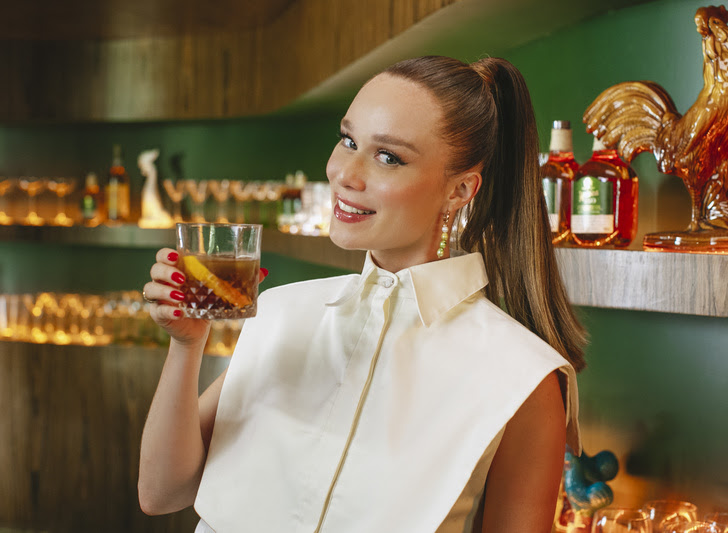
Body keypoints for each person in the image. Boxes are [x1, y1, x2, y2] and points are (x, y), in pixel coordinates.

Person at [138, 55, 586, 533]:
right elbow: (162, 493)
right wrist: (187, 345)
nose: (345, 174)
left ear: (459, 190)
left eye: (388, 157)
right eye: (349, 140)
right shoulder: (281, 312)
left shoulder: (522, 378)